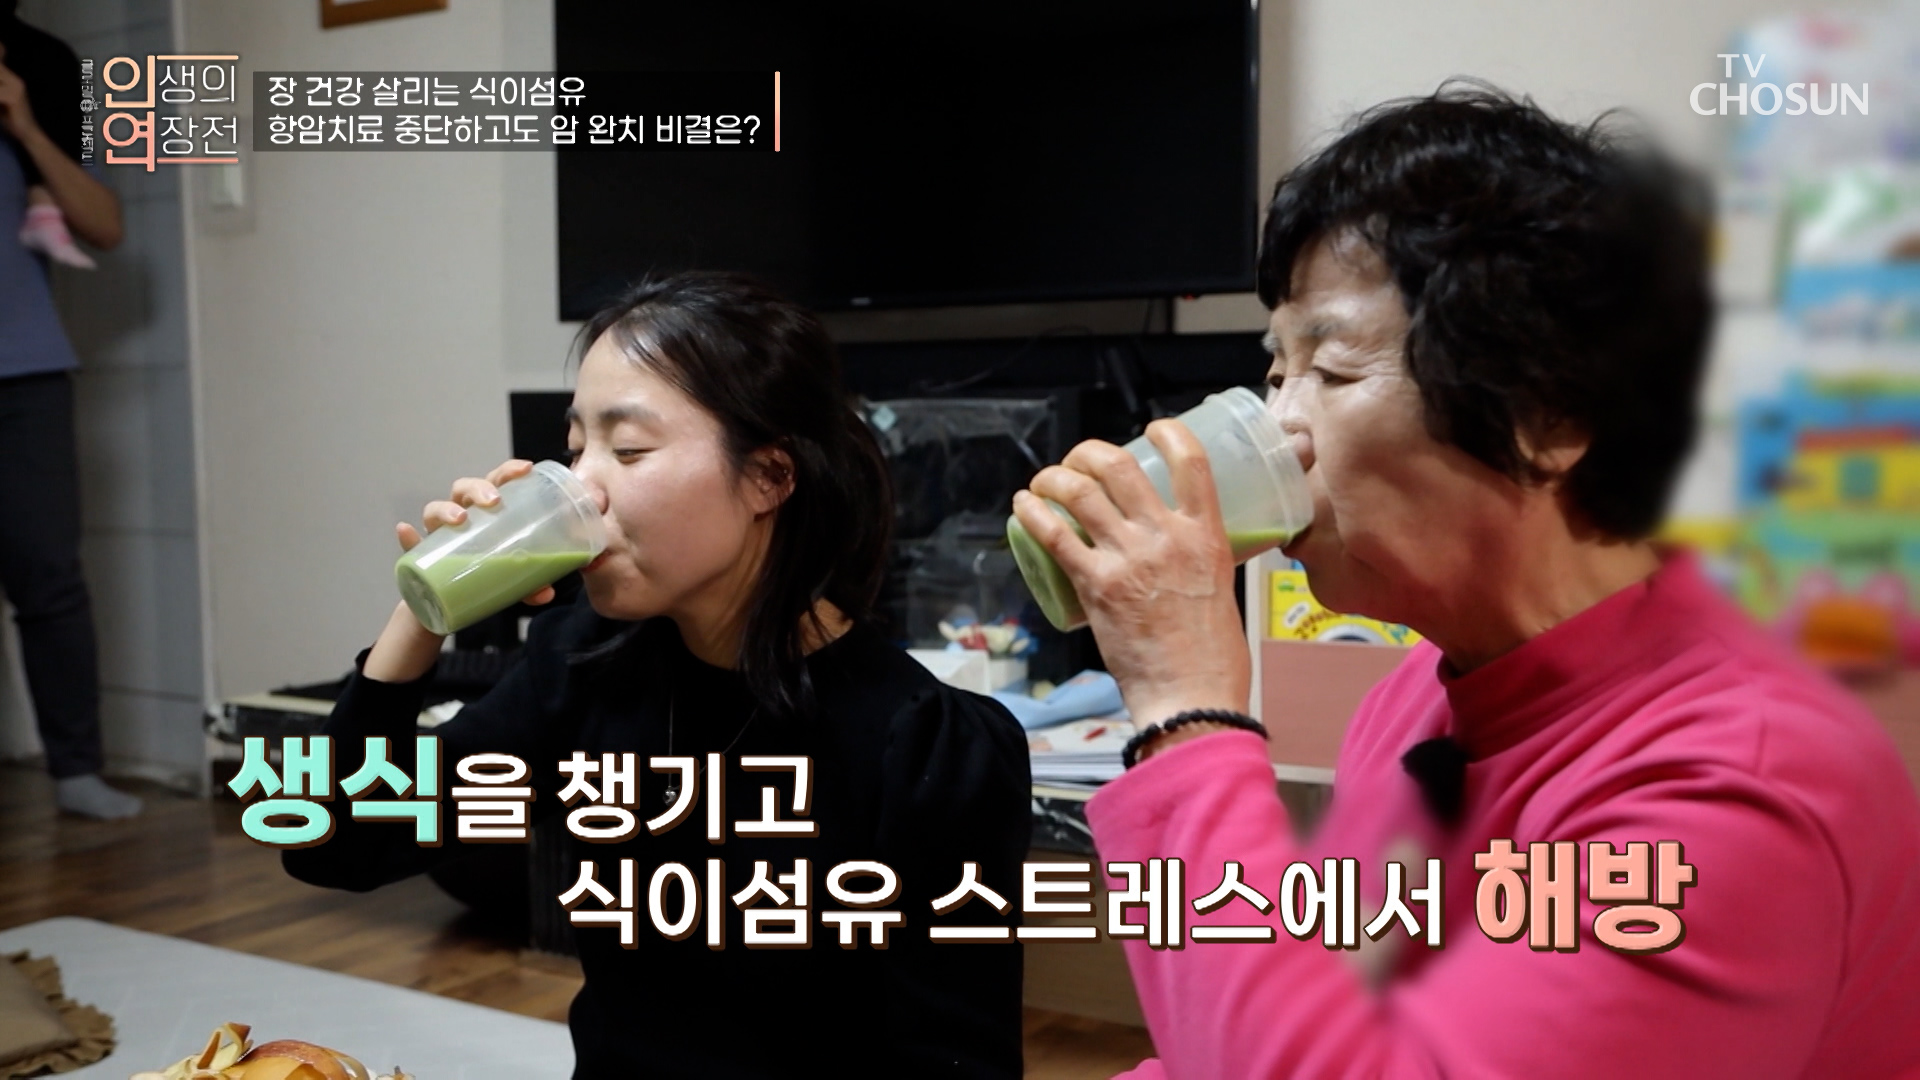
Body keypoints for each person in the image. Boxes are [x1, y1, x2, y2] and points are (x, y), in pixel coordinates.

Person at [1011, 85, 1920, 1077]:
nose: (1280, 429)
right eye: (1275, 374)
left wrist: (1184, 711)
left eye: (1333, 372)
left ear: (1551, 416)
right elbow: (1293, 1017)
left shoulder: (1736, 786)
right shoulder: (1420, 694)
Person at [283, 272, 1031, 1078]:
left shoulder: (922, 743)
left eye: (629, 449)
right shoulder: (583, 663)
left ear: (769, 477)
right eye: (575, 449)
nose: (581, 487)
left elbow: (960, 1064)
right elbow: (335, 844)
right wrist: (425, 608)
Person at [0, 1, 137, 819]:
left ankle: (76, 769)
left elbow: (106, 224)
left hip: (27, 373)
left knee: (51, 582)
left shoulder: (41, 73)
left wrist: (23, 121)